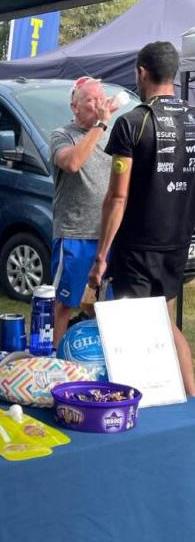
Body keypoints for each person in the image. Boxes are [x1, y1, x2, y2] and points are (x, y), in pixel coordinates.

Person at [88, 41, 195, 395]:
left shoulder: (131, 123)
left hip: (137, 246)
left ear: (142, 73)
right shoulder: (192, 119)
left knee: (132, 330)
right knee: (164, 321)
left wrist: (101, 255)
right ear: (174, 74)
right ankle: (189, 396)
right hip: (177, 242)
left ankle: (131, 402)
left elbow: (117, 197)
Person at [49, 77, 119, 344]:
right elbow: (72, 163)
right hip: (74, 234)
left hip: (106, 236)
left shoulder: (112, 135)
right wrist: (100, 125)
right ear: (74, 106)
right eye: (90, 99)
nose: (98, 104)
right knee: (64, 304)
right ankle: (55, 357)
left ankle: (99, 357)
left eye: (101, 98)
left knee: (104, 307)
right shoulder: (62, 135)